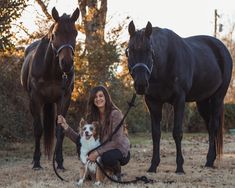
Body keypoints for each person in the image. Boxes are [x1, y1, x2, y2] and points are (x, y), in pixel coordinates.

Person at [57, 85, 130, 180]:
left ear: (106, 97)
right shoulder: (92, 116)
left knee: (106, 157)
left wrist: (97, 153)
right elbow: (81, 139)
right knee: (83, 147)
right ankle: (93, 172)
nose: (98, 99)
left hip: (119, 150)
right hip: (102, 149)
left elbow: (117, 141)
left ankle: (116, 171)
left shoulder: (115, 114)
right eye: (95, 97)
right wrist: (65, 126)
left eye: (101, 96)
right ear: (92, 100)